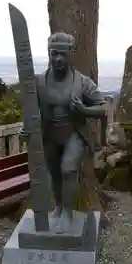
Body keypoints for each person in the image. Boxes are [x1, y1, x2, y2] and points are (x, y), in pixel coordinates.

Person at [21, 32, 107, 226]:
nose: (58, 59)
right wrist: (25, 128)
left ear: (71, 55)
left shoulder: (82, 82)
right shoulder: (38, 82)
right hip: (49, 134)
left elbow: (103, 107)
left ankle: (68, 212)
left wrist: (85, 109)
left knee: (68, 169)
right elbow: (30, 110)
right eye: (54, 54)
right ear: (49, 54)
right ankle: (58, 206)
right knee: (55, 173)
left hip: (73, 133)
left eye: (63, 54)